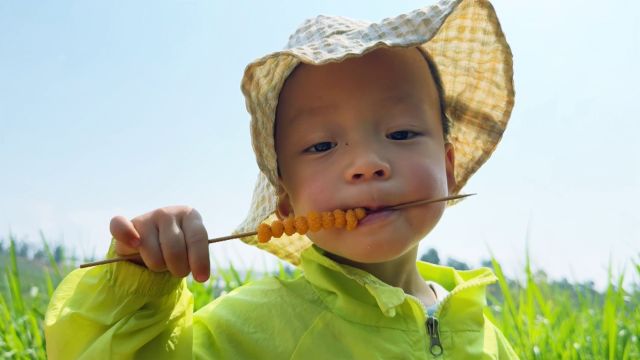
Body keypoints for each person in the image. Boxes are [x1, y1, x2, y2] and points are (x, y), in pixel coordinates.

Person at [45, 0, 518, 358]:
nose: (368, 163)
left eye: (401, 132)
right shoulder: (249, 328)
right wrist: (137, 294)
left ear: (450, 169)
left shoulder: (480, 327)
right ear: (285, 201)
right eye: (322, 146)